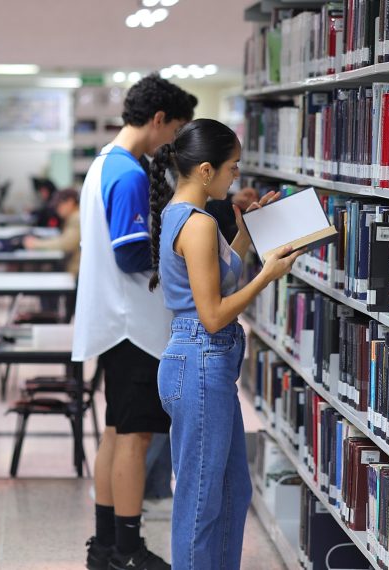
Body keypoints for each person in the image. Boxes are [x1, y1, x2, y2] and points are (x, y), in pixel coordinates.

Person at [147, 119, 298, 569]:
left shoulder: (191, 217)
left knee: (232, 489)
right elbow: (213, 314)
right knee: (201, 498)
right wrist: (266, 276)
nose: (237, 176)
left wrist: (247, 234)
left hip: (207, 362)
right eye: (233, 167)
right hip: (200, 360)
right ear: (206, 170)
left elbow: (217, 278)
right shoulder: (195, 224)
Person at [73, 73, 198, 570]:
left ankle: (105, 545)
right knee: (134, 438)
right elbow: (129, 255)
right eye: (176, 130)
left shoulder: (107, 161)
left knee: (115, 431)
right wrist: (185, 256)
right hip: (134, 327)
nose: (175, 142)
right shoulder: (128, 174)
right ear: (159, 119)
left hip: (116, 323)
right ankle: (126, 551)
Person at [24, 187, 81, 277]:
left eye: (59, 205)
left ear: (70, 202)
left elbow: (65, 244)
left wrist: (36, 244)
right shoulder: (74, 217)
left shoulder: (76, 218)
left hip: (75, 272)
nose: (57, 209)